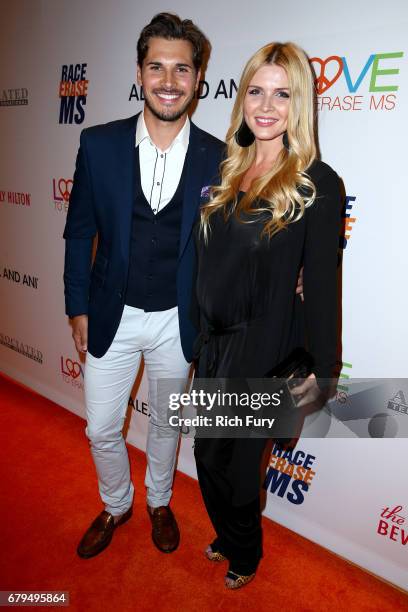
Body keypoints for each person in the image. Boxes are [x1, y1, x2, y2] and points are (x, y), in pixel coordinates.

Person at [63, 13, 225, 558]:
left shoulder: (219, 157)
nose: (169, 80)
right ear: (139, 72)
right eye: (157, 65)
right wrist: (76, 307)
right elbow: (79, 230)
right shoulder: (99, 144)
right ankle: (117, 503)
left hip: (177, 322)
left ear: (198, 78)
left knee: (165, 425)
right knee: (101, 427)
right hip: (111, 311)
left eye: (182, 68)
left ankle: (158, 500)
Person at [193, 42, 341, 589]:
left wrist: (320, 374)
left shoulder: (317, 184)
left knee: (237, 472)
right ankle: (231, 533)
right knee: (207, 456)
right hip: (215, 346)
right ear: (242, 97)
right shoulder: (226, 171)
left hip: (268, 348)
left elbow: (323, 291)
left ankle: (244, 553)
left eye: (283, 94)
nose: (267, 106)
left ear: (299, 103)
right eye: (257, 90)